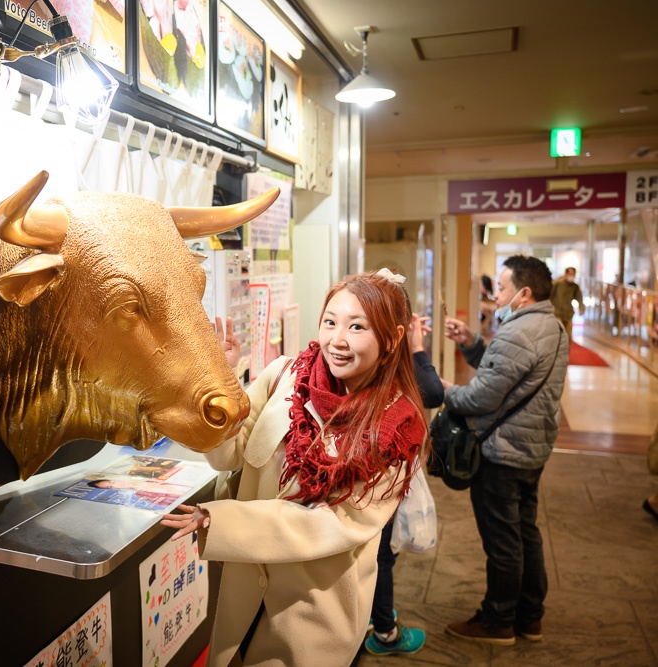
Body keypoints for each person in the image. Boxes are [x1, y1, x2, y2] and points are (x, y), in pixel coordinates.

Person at [161, 269, 428, 667]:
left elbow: (334, 523)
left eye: (357, 326)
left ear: (392, 339)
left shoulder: (397, 428)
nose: (337, 340)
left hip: (314, 609)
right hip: (246, 587)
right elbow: (229, 455)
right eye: (330, 321)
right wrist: (218, 380)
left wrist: (223, 520)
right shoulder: (286, 377)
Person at [441, 255, 568, 645]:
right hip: (532, 449)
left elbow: (483, 396)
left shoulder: (518, 331)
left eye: (501, 287)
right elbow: (507, 374)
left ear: (524, 293)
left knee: (503, 541)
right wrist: (472, 344)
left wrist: (444, 391)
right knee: (525, 533)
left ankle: (498, 621)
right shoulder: (552, 327)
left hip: (503, 452)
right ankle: (530, 617)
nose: (495, 294)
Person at [364, 313, 444, 656]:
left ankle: (373, 615)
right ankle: (384, 631)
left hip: (375, 475)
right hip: (377, 476)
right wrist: (417, 348)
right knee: (379, 553)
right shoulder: (383, 360)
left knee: (376, 551)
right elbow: (433, 391)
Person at [549, 266, 584, 343]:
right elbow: (549, 296)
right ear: (566, 274)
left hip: (568, 314)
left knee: (568, 336)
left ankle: (566, 354)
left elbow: (579, 298)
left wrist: (581, 308)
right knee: (558, 335)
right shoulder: (557, 284)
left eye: (573, 275)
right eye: (571, 274)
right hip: (557, 313)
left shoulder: (575, 287)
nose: (572, 277)